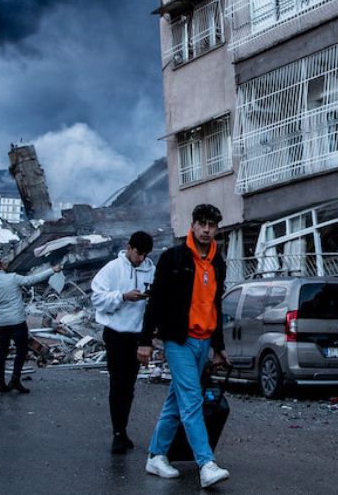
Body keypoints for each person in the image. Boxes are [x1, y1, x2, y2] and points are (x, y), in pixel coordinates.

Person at [139, 203, 230, 488]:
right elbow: (156, 302)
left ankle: (156, 455)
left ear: (217, 228)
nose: (206, 230)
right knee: (192, 400)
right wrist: (145, 342)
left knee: (176, 402)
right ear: (192, 225)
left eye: (211, 225)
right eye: (201, 223)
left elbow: (216, 305)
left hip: (204, 342)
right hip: (179, 340)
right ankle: (206, 464)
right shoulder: (173, 258)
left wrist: (218, 346)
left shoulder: (218, 262)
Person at [91, 231, 156, 454]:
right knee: (117, 383)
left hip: (137, 337)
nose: (141, 258)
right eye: (138, 253)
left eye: (145, 254)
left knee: (129, 385)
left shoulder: (151, 270)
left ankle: (123, 429)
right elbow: (97, 298)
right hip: (116, 334)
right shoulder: (112, 269)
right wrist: (122, 297)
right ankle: (117, 433)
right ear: (129, 247)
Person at [0, 258, 61, 394]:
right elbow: (33, 279)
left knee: (1, 352)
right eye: (4, 263)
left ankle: (0, 383)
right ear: (0, 266)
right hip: (17, 321)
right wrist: (52, 270)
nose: (7, 264)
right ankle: (15, 380)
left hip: (1, 324)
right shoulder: (13, 278)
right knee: (22, 350)